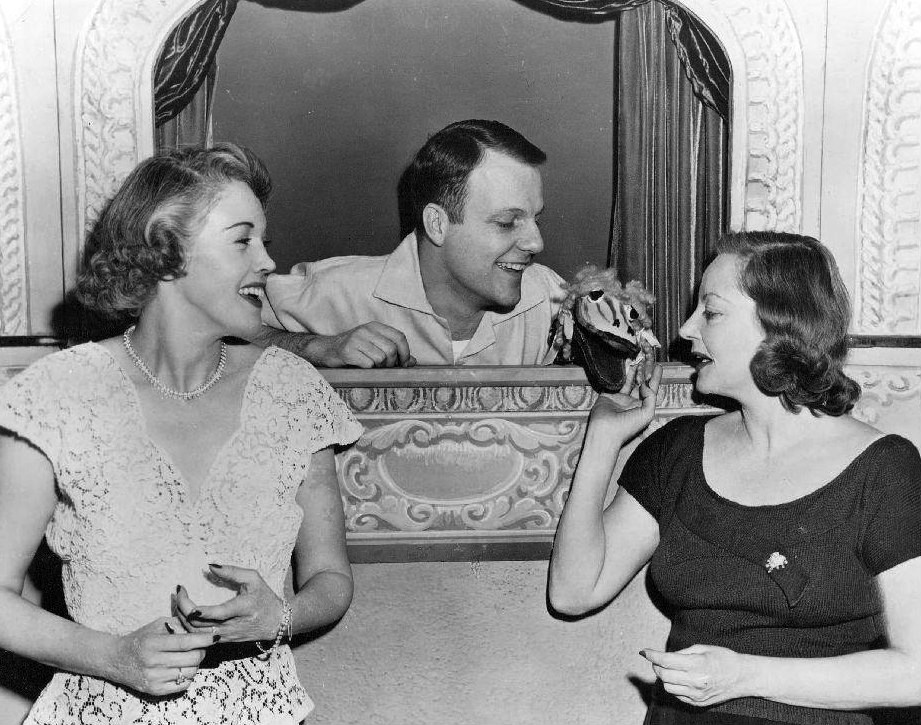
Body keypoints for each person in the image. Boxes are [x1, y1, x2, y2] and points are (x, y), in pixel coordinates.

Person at [0, 143, 362, 724]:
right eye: (243, 240)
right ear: (166, 251)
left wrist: (282, 617)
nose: (268, 262)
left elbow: (331, 577)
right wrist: (113, 656)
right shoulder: (57, 396)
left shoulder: (294, 393)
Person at [548, 231, 921, 724]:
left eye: (711, 312)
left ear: (780, 325)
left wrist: (743, 677)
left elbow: (915, 672)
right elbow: (574, 593)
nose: (686, 329)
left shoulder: (884, 470)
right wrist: (602, 439)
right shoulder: (678, 450)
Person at [256, 119, 566, 367]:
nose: (536, 243)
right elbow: (231, 334)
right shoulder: (335, 290)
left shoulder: (550, 297)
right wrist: (319, 347)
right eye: (507, 222)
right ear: (437, 224)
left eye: (536, 220)